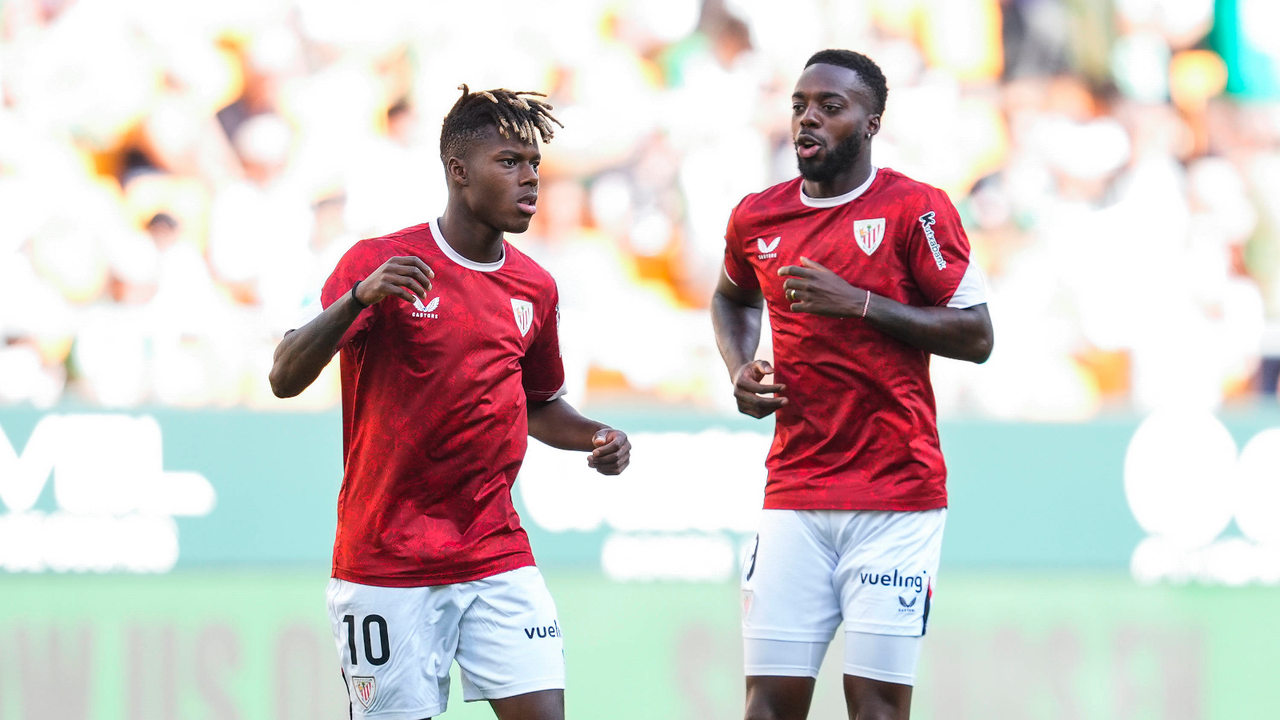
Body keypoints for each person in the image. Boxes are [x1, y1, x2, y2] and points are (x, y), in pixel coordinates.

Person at [269, 86, 631, 720]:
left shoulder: (534, 286)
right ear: (459, 172)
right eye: (510, 162)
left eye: (534, 165)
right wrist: (357, 300)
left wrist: (596, 434)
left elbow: (539, 402)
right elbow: (284, 376)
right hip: (386, 559)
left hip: (495, 550)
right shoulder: (377, 262)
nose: (530, 179)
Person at [711, 50, 994, 720]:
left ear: (871, 122)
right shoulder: (757, 217)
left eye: (830, 107)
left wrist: (862, 303)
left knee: (875, 708)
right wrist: (739, 368)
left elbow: (977, 335)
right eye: (800, 105)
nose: (808, 118)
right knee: (769, 707)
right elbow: (731, 299)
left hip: (896, 497)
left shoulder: (915, 209)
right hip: (795, 493)